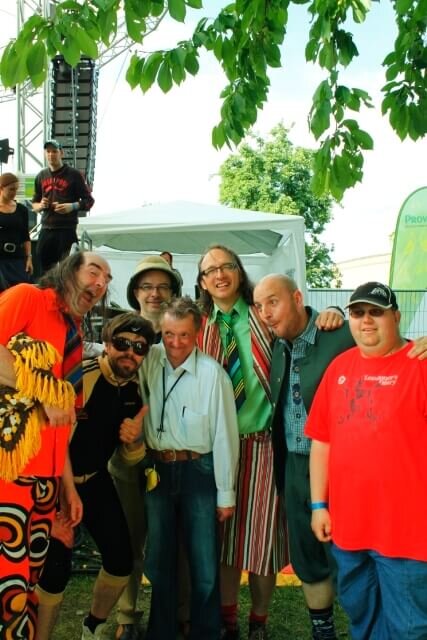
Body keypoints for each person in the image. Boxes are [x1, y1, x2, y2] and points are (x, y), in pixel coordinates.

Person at [196, 246, 343, 640]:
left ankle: (258, 621)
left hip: (265, 444)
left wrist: (332, 313)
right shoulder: (199, 324)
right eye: (210, 270)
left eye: (227, 265)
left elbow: (302, 324)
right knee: (224, 541)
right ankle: (227, 620)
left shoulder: (262, 315)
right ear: (203, 282)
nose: (220, 274)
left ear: (239, 271)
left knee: (262, 542)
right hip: (218, 448)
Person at [0, 250, 111, 640]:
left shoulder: (74, 331)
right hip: (10, 471)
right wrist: (42, 390)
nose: (100, 283)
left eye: (107, 280)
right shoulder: (27, 297)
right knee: (8, 584)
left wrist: (67, 487)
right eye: (94, 271)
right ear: (68, 270)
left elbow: (59, 425)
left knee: (28, 583)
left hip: (45, 480)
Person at [307, 282, 427, 640]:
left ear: (396, 317)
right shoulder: (339, 367)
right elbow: (322, 441)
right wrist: (318, 505)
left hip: (408, 533)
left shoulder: (420, 365)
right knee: (361, 618)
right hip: (350, 528)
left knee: (409, 628)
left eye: (376, 312)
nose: (366, 320)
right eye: (358, 313)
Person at [124, 296, 239, 640]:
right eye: (169, 334)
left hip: (198, 470)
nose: (175, 343)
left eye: (184, 335)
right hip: (157, 470)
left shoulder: (213, 374)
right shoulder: (149, 360)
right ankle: (162, 632)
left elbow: (225, 435)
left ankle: (206, 632)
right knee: (159, 560)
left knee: (203, 563)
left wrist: (225, 494)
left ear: (197, 333)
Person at [35, 312, 155, 640]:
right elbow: (50, 440)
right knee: (54, 574)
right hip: (55, 482)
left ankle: (92, 628)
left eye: (139, 347)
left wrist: (135, 441)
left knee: (121, 561)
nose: (130, 352)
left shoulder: (136, 391)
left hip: (96, 481)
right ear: (106, 344)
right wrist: (60, 497)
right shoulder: (81, 376)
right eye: (122, 343)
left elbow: (128, 459)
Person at [253, 274, 353, 640]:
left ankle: (368, 626)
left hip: (341, 467)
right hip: (295, 467)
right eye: (259, 306)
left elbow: (386, 347)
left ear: (297, 298)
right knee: (308, 558)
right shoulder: (278, 346)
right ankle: (322, 633)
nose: (265, 312)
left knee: (350, 555)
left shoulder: (339, 334)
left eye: (273, 302)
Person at [109, 254, 182, 640]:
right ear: (135, 291)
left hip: (171, 456)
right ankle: (127, 616)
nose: (154, 293)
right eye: (147, 286)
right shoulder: (121, 332)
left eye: (163, 286)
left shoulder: (182, 336)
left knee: (172, 543)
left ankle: (177, 616)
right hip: (126, 457)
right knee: (129, 538)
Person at [32, 140, 95, 274]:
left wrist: (72, 206)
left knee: (69, 271)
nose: (51, 155)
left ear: (61, 153)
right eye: (48, 152)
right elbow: (34, 204)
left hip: (66, 230)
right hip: (46, 229)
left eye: (54, 151)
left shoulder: (74, 175)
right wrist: (41, 205)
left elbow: (89, 201)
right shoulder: (41, 176)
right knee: (44, 270)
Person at [0, 172, 33, 290]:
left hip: (17, 258)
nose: (14, 192)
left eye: (16, 189)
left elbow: (25, 236)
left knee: (20, 289)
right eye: (11, 189)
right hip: (0, 258)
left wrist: (29, 258)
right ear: (1, 188)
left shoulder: (22, 210)